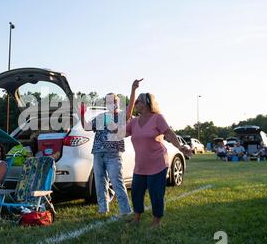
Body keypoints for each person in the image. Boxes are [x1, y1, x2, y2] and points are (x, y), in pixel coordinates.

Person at [125, 79, 192, 227]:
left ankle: (156, 221)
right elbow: (125, 125)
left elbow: (169, 133)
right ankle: (136, 218)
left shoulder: (157, 118)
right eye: (135, 102)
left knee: (156, 194)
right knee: (136, 192)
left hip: (157, 164)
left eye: (139, 101)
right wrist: (133, 91)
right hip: (140, 166)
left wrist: (180, 146)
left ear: (147, 104)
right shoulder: (134, 122)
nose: (136, 104)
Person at [80, 93, 132, 217]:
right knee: (100, 182)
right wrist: (81, 113)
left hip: (113, 153)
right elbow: (86, 127)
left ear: (118, 102)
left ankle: (125, 211)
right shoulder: (100, 116)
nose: (111, 104)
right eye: (108, 101)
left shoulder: (121, 115)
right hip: (98, 152)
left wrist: (133, 90)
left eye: (113, 101)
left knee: (117, 182)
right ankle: (103, 209)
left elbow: (120, 125)